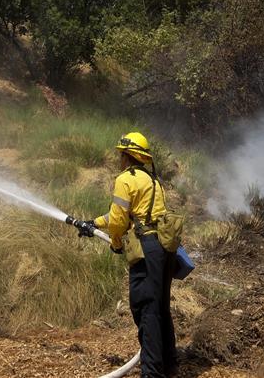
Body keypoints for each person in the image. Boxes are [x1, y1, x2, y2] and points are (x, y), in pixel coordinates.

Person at [85, 132, 177, 377]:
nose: (119, 159)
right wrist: (92, 223)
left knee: (145, 308)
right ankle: (169, 364)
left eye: (121, 155)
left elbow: (118, 222)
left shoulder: (125, 179)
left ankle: (152, 372)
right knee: (159, 306)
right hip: (164, 248)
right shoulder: (152, 180)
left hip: (146, 249)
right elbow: (129, 216)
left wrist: (116, 243)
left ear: (127, 156)